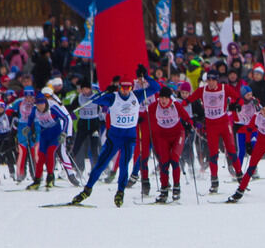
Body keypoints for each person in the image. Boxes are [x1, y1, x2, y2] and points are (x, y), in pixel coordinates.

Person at [70, 66, 160, 207]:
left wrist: (147, 76)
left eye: (128, 88)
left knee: (124, 165)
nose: (125, 91)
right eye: (123, 88)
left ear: (131, 87)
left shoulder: (136, 96)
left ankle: (120, 192)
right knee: (101, 164)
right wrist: (106, 92)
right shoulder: (113, 97)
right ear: (119, 87)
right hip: (114, 138)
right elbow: (94, 100)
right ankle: (87, 190)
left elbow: (156, 88)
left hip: (129, 138)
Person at [183, 72, 243, 193]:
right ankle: (214, 181)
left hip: (224, 124)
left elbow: (239, 98)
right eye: (209, 80)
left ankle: (240, 177)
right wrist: (176, 105)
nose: (211, 83)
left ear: (217, 81)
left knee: (231, 150)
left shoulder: (224, 88)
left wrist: (237, 106)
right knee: (213, 154)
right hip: (211, 126)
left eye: (213, 80)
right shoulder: (202, 90)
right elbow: (188, 100)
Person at [227, 97, 265, 203]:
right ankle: (239, 192)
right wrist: (248, 144)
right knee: (251, 167)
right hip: (261, 143)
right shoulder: (256, 116)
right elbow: (249, 129)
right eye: (263, 109)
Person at [148, 86, 193, 203]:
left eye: (166, 98)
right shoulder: (153, 106)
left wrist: (189, 124)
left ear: (169, 98)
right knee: (164, 162)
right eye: (161, 98)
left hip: (178, 134)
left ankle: (176, 187)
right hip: (163, 136)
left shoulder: (176, 105)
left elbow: (187, 117)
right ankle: (164, 189)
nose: (163, 101)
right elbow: (145, 116)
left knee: (174, 159)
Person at [24, 97, 68, 190]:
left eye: (42, 104)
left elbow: (66, 118)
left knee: (50, 153)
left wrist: (64, 133)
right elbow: (31, 118)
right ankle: (37, 181)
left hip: (55, 136)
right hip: (44, 136)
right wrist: (28, 127)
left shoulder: (52, 109)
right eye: (38, 104)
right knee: (41, 157)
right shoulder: (35, 110)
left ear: (45, 103)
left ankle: (50, 178)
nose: (40, 106)